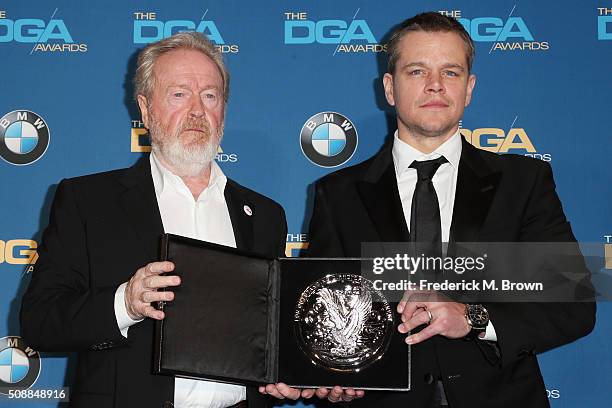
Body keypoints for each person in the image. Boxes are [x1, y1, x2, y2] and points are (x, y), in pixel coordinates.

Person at [299, 12, 595, 407]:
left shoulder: (523, 182)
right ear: (389, 88)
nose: (435, 85)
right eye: (417, 70)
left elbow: (574, 307)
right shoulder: (337, 194)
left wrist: (473, 318)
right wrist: (330, 377)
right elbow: (321, 316)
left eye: (451, 72)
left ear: (469, 88)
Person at [20, 32, 287, 408]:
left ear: (223, 109)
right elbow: (40, 322)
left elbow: (270, 337)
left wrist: (288, 374)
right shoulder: (87, 202)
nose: (197, 110)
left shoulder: (265, 215)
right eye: (179, 94)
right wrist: (124, 303)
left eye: (210, 95)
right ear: (145, 110)